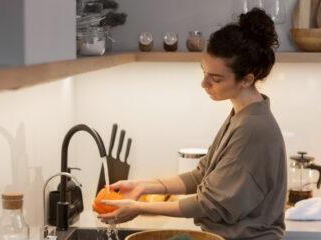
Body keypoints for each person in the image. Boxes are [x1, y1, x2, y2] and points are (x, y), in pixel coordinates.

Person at [98, 8, 287, 240]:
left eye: (215, 78)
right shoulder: (241, 115)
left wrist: (139, 208)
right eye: (204, 72)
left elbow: (210, 204)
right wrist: (142, 186)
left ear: (246, 79)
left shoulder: (255, 128)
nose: (204, 83)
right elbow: (202, 176)